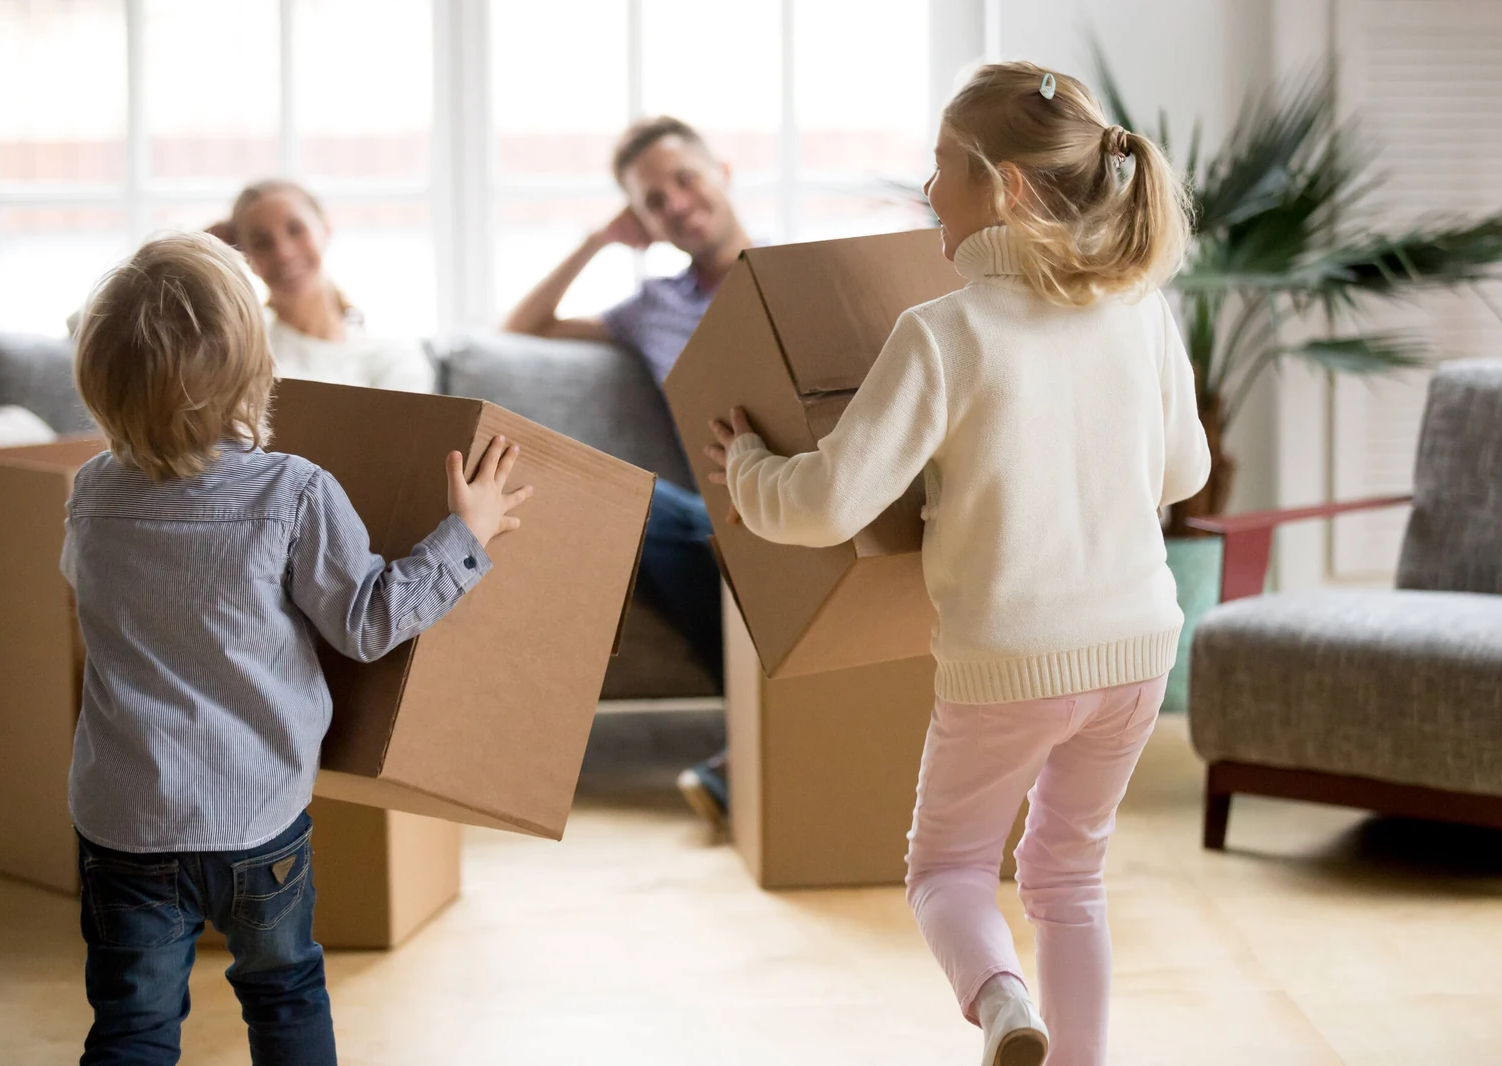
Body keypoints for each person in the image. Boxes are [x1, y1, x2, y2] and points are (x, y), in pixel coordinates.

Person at [701, 63, 1208, 1066]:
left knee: (946, 870)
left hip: (1008, 664)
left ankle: (1003, 1002)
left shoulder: (944, 331)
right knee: (1070, 875)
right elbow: (1183, 469)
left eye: (941, 168)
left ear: (1004, 187)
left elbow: (827, 504)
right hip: (1139, 647)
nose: (928, 191)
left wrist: (747, 469)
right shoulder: (1140, 308)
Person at [63, 231, 531, 1064]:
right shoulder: (292, 492)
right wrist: (469, 533)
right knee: (284, 996)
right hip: (255, 822)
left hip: (123, 822)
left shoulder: (89, 491)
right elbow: (368, 622)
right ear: (257, 369)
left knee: (132, 1027)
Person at [504, 116, 751, 829]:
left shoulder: (799, 273)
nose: (675, 203)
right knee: (621, 498)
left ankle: (758, 747)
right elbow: (521, 327)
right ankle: (761, 739)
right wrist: (596, 241)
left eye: (684, 180)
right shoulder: (653, 308)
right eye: (652, 200)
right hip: (717, 516)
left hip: (811, 496)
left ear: (722, 173)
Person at [210, 180, 436, 393]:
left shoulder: (392, 355)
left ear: (325, 228)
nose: (283, 253)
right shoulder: (245, 356)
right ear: (244, 255)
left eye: (296, 229)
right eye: (261, 242)